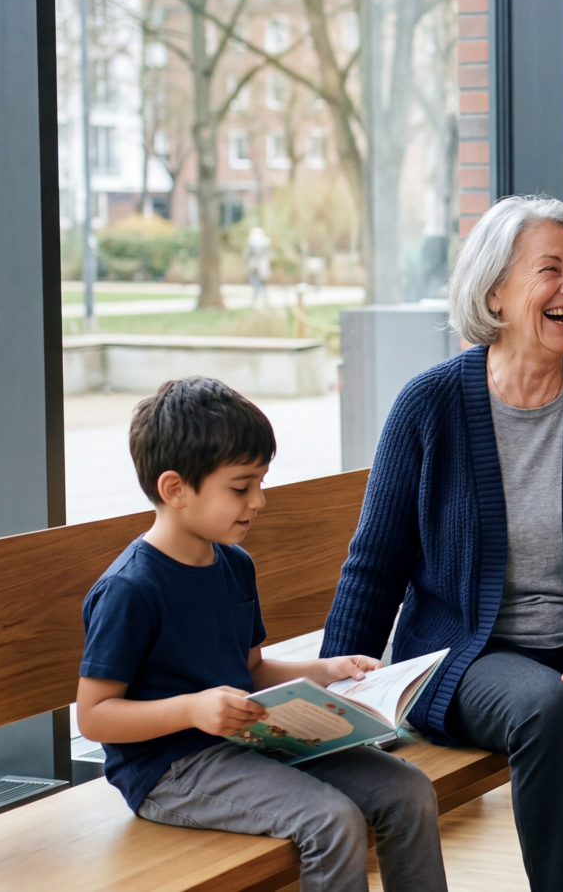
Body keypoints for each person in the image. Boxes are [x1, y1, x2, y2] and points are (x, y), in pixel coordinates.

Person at [322, 196, 563, 892]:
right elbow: (375, 565)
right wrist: (334, 703)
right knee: (549, 712)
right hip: (471, 654)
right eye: (550, 269)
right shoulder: (426, 405)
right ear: (494, 290)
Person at [79, 377, 447, 892]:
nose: (259, 500)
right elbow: (95, 717)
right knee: (331, 822)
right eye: (241, 487)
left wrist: (324, 672)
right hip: (171, 771)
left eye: (261, 482)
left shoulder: (233, 564)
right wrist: (192, 709)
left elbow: (251, 671)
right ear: (175, 489)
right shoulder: (130, 590)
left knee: (408, 789)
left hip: (245, 740)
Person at [245, 226, 272, 309]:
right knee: (261, 283)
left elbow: (247, 255)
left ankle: (256, 299)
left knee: (255, 282)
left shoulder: (251, 243)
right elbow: (269, 255)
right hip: (262, 266)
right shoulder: (265, 243)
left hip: (254, 266)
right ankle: (263, 298)